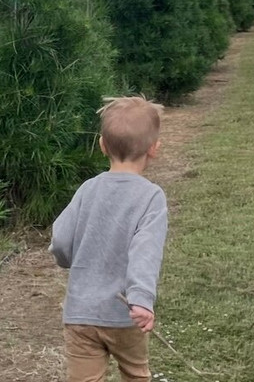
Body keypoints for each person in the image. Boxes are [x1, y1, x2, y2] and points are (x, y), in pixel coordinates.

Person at [49, 96, 168, 382]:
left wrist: (67, 260)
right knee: (135, 374)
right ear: (154, 149)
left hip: (80, 313)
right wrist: (141, 299)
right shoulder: (150, 197)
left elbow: (61, 240)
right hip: (124, 313)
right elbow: (146, 251)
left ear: (102, 145)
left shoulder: (87, 189)